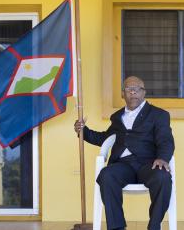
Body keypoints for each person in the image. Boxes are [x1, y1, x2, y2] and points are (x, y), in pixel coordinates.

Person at [74, 76, 175, 230]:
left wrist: (162, 158)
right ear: (123, 94)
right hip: (123, 165)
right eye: (128, 89)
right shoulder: (117, 117)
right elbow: (105, 138)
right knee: (106, 175)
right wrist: (83, 131)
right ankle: (117, 227)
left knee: (163, 177)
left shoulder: (158, 115)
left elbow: (166, 140)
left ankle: (155, 225)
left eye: (137, 89)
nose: (133, 91)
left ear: (143, 93)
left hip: (148, 164)